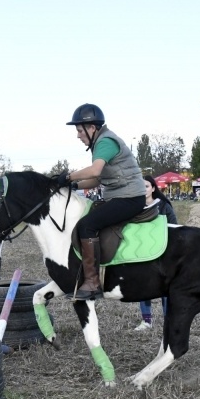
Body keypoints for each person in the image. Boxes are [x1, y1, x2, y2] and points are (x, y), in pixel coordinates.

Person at [57, 103, 145, 300]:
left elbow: (95, 171)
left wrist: (70, 176)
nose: (78, 135)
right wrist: (72, 187)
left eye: (79, 130)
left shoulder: (105, 142)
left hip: (129, 198)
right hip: (120, 196)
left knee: (86, 226)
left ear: (91, 128)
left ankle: (93, 283)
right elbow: (98, 179)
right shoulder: (101, 143)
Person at [134, 176, 177, 330]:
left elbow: (174, 226)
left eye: (146, 186)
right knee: (143, 286)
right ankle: (146, 321)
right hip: (142, 252)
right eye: (140, 187)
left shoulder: (164, 206)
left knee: (164, 286)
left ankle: (168, 320)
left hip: (162, 251)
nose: (143, 189)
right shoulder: (134, 207)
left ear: (153, 188)